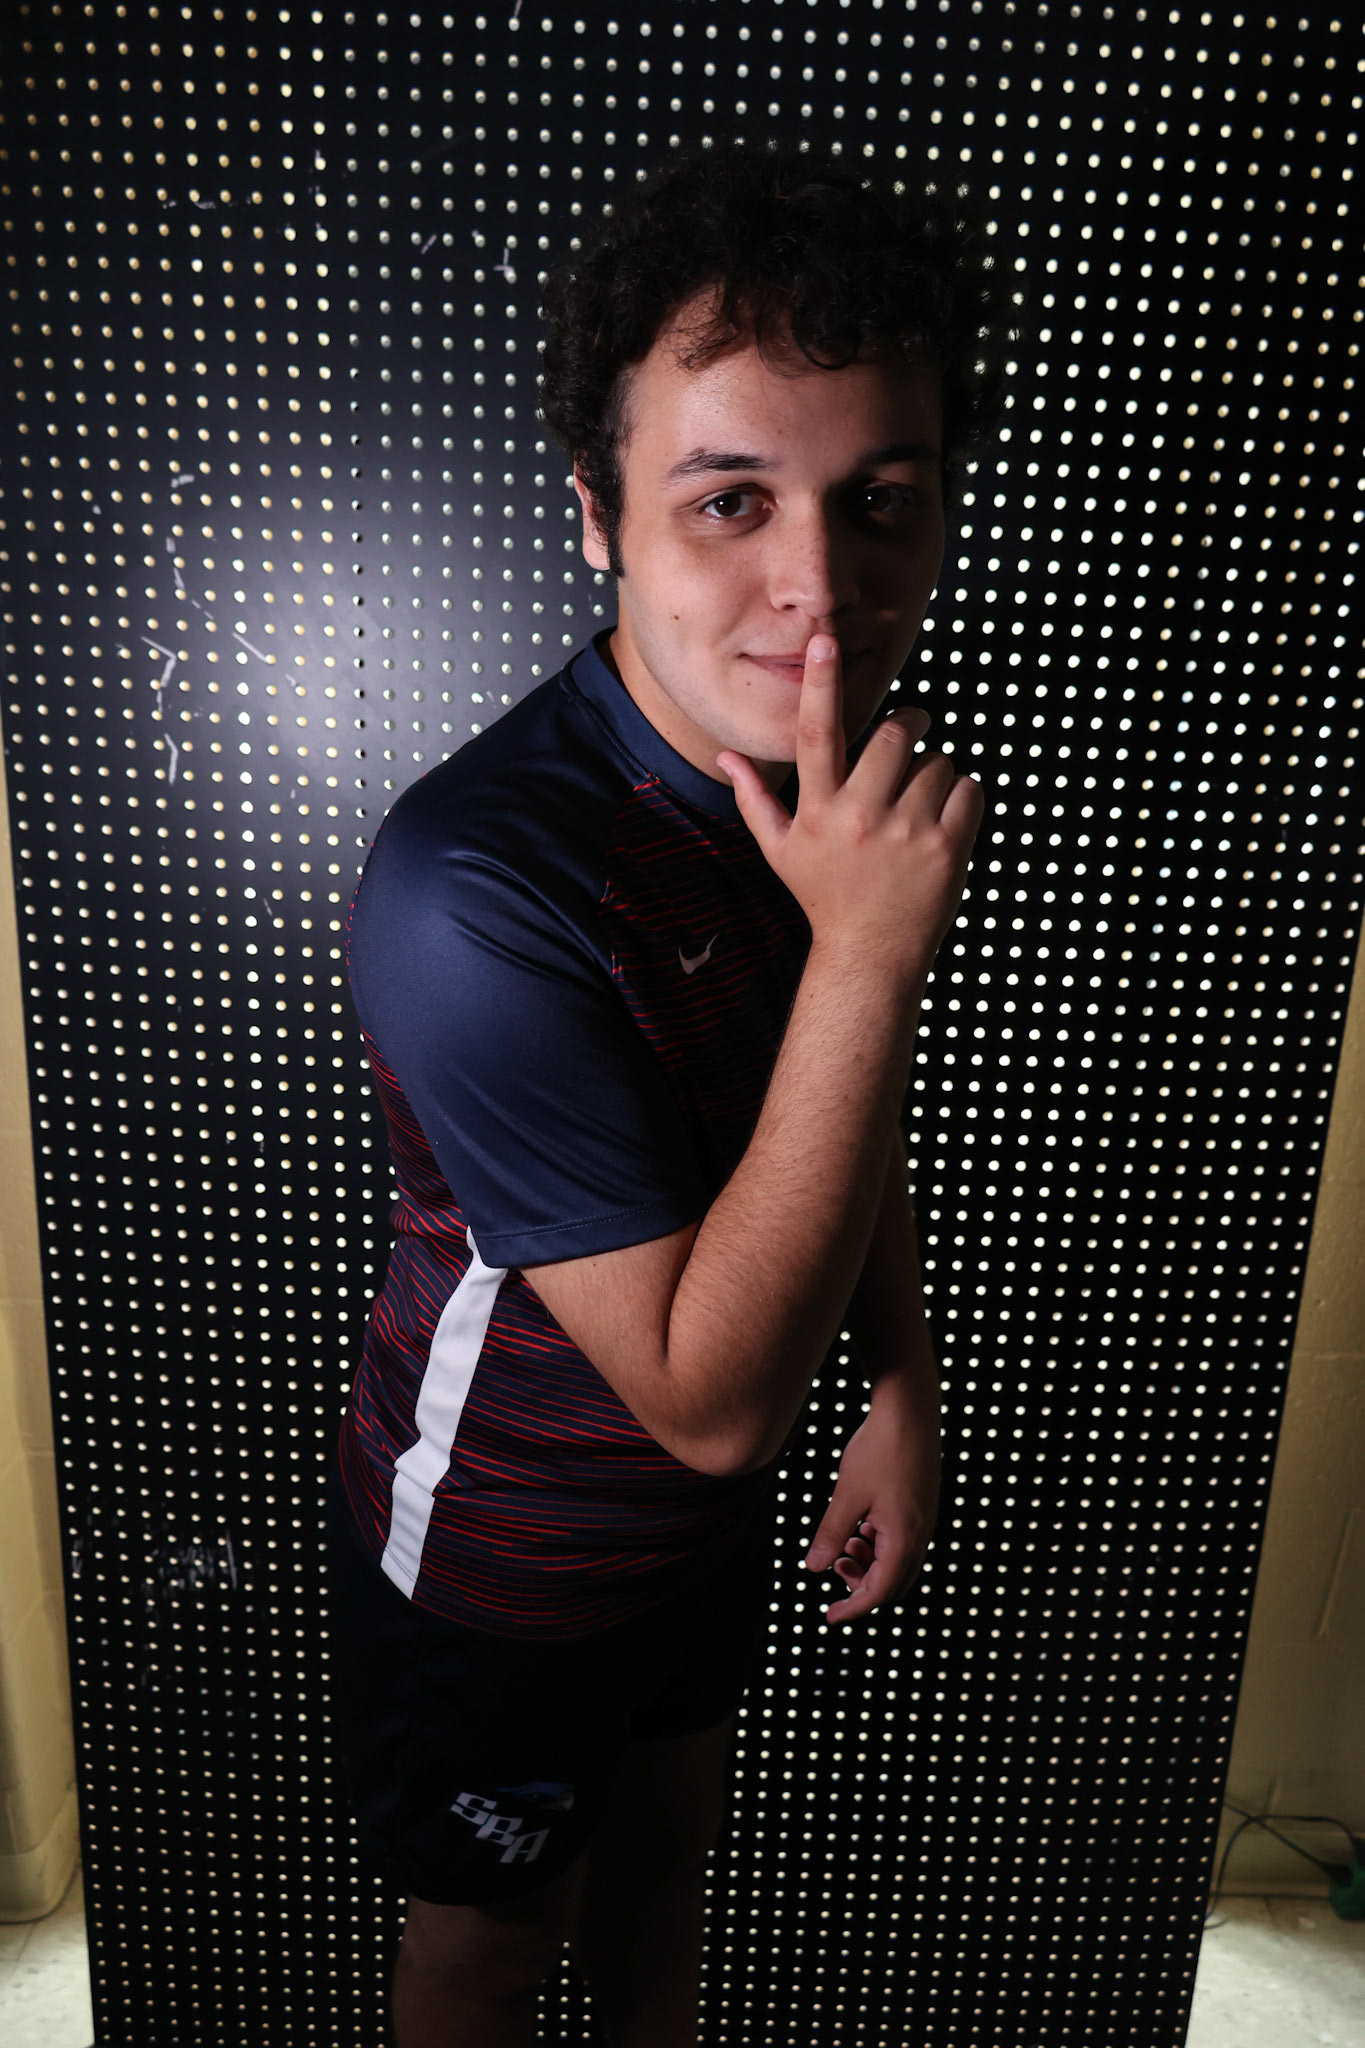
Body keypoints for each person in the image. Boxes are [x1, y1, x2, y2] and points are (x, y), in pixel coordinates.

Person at [328, 135, 1019, 2048]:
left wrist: (893, 1383)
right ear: (598, 518)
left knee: (659, 1884)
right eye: (728, 501)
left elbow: (819, 1105)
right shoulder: (475, 884)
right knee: (484, 1959)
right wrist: (870, 953)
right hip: (502, 1547)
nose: (819, 592)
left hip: (691, 1553)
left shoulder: (819, 775)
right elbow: (712, 1405)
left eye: (882, 503)